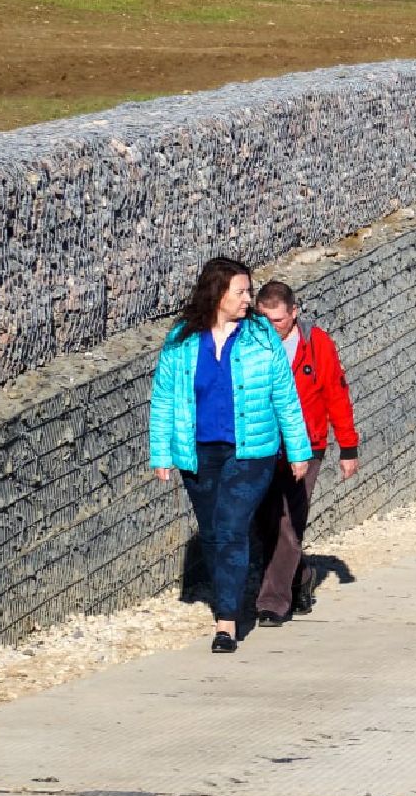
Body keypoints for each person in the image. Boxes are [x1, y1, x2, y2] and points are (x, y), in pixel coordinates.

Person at [149, 257, 312, 654]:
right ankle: (226, 595)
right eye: (240, 292)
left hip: (251, 451)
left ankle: (227, 621)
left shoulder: (261, 335)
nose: (248, 299)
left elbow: (285, 394)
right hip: (198, 452)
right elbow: (164, 398)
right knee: (212, 532)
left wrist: (298, 449)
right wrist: (161, 453)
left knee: (232, 526)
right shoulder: (182, 339)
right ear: (218, 293)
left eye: (248, 291)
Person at [253, 281, 361, 625]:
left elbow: (336, 395)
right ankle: (300, 576)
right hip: (261, 444)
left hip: (308, 446)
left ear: (294, 313)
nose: (271, 327)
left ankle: (273, 602)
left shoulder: (316, 343)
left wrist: (348, 447)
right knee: (263, 519)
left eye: (278, 320)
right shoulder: (250, 343)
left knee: (289, 520)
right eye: (264, 319)